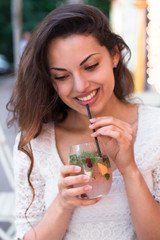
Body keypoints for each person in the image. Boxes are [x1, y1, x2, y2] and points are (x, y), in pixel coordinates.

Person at [7, 4, 160, 240]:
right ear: (51, 80)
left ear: (115, 55)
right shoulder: (35, 141)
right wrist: (63, 204)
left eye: (90, 66)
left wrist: (129, 169)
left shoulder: (155, 128)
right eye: (62, 76)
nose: (80, 86)